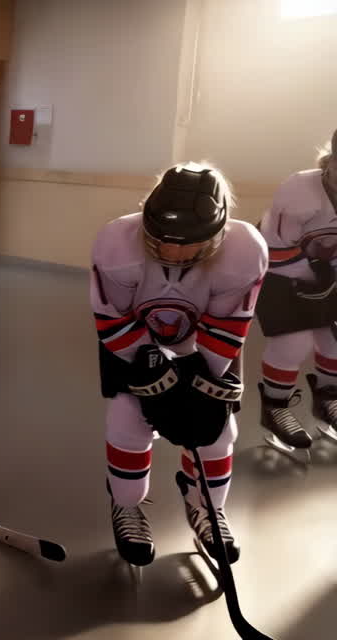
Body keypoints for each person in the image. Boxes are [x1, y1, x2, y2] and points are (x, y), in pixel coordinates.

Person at [91, 163, 265, 568]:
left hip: (205, 344)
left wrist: (199, 384)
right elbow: (113, 320)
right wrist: (155, 375)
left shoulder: (246, 249)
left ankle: (206, 506)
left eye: (186, 244)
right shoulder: (116, 241)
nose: (171, 252)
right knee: (127, 418)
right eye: (161, 240)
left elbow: (228, 325)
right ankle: (126, 503)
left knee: (217, 428)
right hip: (136, 344)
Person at [254, 130, 337, 453]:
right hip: (279, 269)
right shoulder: (299, 189)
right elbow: (275, 249)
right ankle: (275, 406)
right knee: (294, 340)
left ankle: (329, 398)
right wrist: (318, 280)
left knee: (334, 336)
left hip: (325, 271)